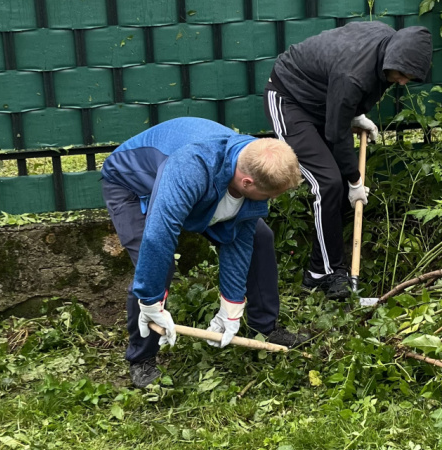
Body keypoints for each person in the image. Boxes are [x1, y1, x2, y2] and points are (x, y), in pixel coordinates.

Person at [101, 117, 308, 388]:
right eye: (269, 196)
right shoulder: (192, 167)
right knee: (156, 266)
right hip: (134, 184)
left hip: (202, 187)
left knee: (260, 236)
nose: (272, 201)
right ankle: (142, 359)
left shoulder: (250, 157)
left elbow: (239, 237)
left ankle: (265, 329)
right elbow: (158, 236)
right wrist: (151, 300)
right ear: (246, 182)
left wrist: (231, 306)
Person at [264, 21, 433, 298]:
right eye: (402, 74)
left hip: (325, 99)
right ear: (393, 58)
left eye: (409, 78)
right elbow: (337, 132)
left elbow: (350, 93)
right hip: (289, 98)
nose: (403, 81)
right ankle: (332, 273)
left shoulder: (384, 47)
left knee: (335, 182)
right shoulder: (352, 74)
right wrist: (355, 179)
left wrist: (352, 111)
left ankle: (318, 272)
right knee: (328, 183)